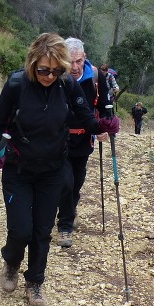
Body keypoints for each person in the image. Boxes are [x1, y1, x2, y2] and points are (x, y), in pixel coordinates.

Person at [0, 33, 120, 306]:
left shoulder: (68, 85)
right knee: (21, 230)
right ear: (33, 63)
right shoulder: (16, 84)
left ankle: (35, 282)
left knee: (43, 230)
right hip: (19, 169)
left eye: (56, 70)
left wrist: (104, 125)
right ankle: (11, 262)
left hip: (52, 170)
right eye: (43, 70)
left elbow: (85, 119)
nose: (49, 76)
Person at [56, 37, 112, 248]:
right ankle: (64, 226)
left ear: (84, 58)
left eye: (79, 61)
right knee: (66, 182)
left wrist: (105, 127)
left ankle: (70, 209)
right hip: (59, 139)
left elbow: (107, 105)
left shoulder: (96, 77)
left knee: (77, 182)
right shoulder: (56, 77)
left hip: (84, 139)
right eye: (71, 62)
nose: (75, 67)